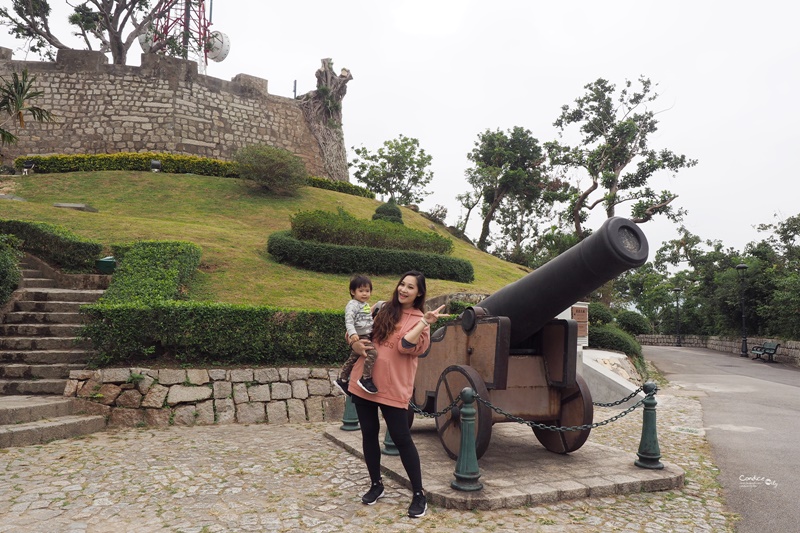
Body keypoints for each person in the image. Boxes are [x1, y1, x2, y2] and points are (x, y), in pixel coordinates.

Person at [347, 270, 447, 519]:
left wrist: (425, 322)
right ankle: (376, 484)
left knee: (402, 439)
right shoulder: (380, 308)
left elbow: (405, 347)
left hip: (394, 388)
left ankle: (418, 493)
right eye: (402, 284)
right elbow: (352, 331)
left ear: (419, 293)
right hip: (364, 383)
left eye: (410, 287)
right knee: (369, 435)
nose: (403, 290)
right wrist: (354, 344)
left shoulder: (420, 320)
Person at [336, 274, 379, 394]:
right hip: (360, 336)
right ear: (352, 291)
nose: (365, 294)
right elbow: (349, 321)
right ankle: (365, 378)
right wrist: (352, 334)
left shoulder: (364, 305)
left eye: (367, 291)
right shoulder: (352, 305)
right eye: (361, 291)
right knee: (373, 353)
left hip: (366, 335)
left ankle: (343, 379)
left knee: (353, 358)